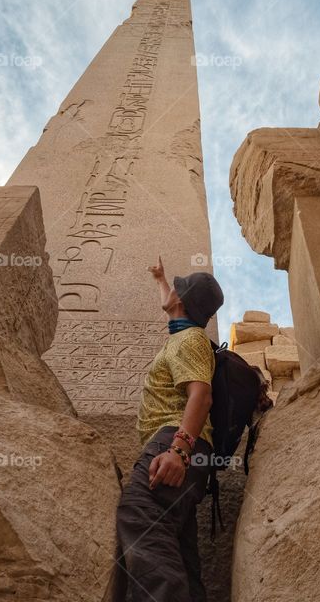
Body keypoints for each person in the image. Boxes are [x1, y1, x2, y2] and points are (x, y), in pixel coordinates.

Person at [113, 256, 224, 602]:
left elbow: (201, 395)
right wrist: (160, 280)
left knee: (139, 513)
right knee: (179, 550)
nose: (170, 290)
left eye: (176, 288)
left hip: (173, 443)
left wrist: (178, 449)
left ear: (182, 301)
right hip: (188, 451)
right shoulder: (185, 333)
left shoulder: (189, 340)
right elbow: (170, 305)